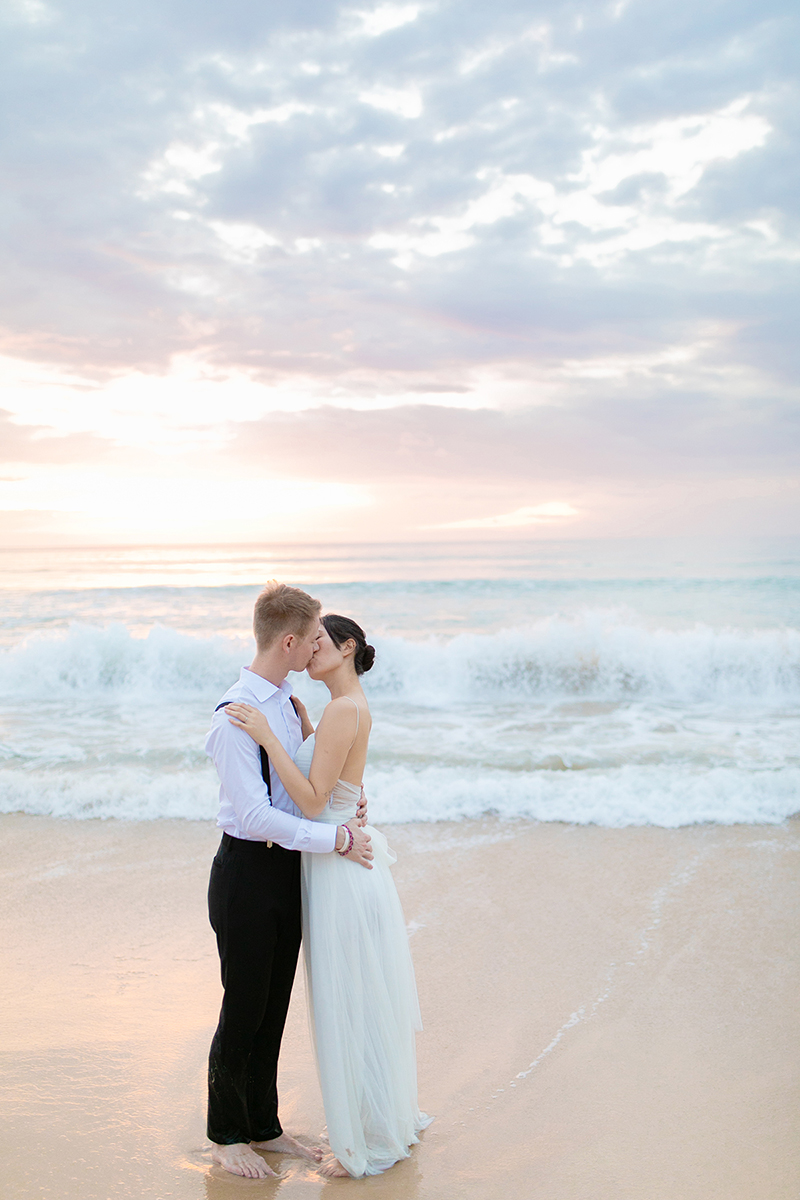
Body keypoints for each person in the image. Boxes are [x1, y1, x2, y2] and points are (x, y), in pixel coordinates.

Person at [224, 612, 431, 1178]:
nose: (311, 651)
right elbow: (338, 784)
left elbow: (314, 802)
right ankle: (374, 1122)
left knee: (348, 1000)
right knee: (357, 996)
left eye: (321, 643)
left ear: (348, 647)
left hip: (338, 869)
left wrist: (269, 737)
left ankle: (360, 1141)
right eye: (309, 641)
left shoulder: (345, 709)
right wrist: (304, 732)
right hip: (338, 859)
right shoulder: (344, 708)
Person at [204, 583, 373, 1180]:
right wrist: (336, 839)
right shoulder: (235, 715)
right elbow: (252, 815)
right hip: (246, 872)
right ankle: (226, 1136)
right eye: (311, 642)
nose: (315, 653)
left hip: (286, 869)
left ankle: (264, 1126)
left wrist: (341, 808)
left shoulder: (284, 701)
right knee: (244, 1005)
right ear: (290, 640)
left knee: (273, 1004)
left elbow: (301, 785)